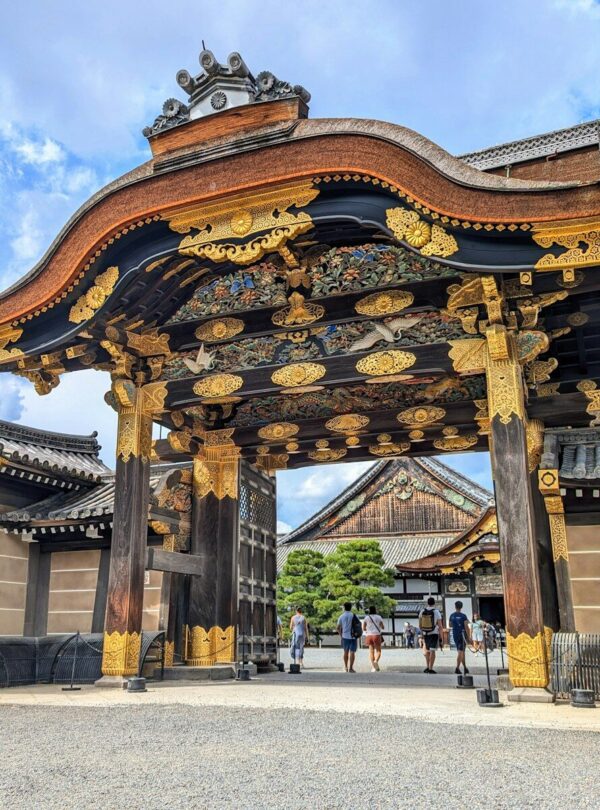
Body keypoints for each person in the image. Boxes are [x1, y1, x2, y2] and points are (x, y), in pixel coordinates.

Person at [418, 597, 443, 674]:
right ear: (434, 603)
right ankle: (430, 668)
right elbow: (440, 625)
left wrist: (422, 634)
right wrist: (441, 637)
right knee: (432, 651)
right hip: (434, 633)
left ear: (427, 603)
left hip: (425, 633)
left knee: (427, 651)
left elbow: (420, 625)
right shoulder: (436, 612)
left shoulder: (422, 611)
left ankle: (427, 666)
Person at [448, 600, 471, 675]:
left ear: (455, 607)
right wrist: (469, 637)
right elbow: (466, 627)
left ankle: (465, 668)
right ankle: (457, 668)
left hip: (455, 634)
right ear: (461, 607)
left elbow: (450, 625)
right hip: (462, 634)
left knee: (461, 651)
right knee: (461, 651)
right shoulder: (463, 616)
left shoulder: (452, 615)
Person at [337, 601, 358, 673]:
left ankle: (346, 667)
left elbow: (338, 627)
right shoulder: (354, 615)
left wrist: (341, 635)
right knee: (352, 652)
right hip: (353, 636)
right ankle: (351, 668)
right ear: (351, 607)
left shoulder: (341, 616)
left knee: (345, 652)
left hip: (345, 636)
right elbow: (358, 625)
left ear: (344, 607)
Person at [362, 606, 385, 672]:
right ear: (375, 610)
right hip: (377, 635)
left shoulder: (366, 617)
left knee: (371, 652)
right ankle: (375, 661)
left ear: (369, 611)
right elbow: (383, 627)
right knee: (378, 651)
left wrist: (368, 629)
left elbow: (363, 628)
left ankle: (373, 667)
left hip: (369, 635)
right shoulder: (379, 617)